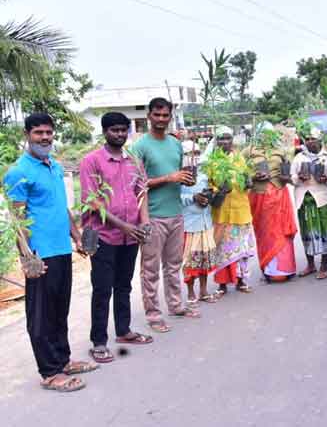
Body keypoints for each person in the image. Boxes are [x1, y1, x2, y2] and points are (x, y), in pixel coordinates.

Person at [4, 113, 97, 391]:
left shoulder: (54, 166)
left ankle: (63, 360)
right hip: (40, 254)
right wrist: (27, 258)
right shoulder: (18, 172)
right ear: (27, 134)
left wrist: (77, 237)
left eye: (48, 132)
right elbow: (17, 220)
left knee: (59, 310)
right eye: (38, 133)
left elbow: (62, 208)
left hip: (61, 249)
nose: (45, 137)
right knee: (41, 315)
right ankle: (50, 373)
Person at [79, 112, 153, 364]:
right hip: (104, 237)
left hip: (130, 237)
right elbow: (92, 200)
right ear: (105, 132)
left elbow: (141, 193)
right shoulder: (91, 161)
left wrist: (144, 223)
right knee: (102, 289)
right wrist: (124, 225)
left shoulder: (133, 160)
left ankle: (124, 331)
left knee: (124, 285)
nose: (120, 134)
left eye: (124, 130)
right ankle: (98, 342)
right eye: (114, 130)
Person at [130, 98, 199, 334]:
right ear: (149, 116)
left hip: (176, 214)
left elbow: (180, 175)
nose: (161, 119)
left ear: (170, 116)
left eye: (165, 115)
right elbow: (135, 185)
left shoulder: (175, 144)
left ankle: (176, 305)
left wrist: (186, 179)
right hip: (152, 217)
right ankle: (153, 315)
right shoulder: (139, 147)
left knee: (174, 265)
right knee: (150, 268)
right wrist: (168, 178)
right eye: (157, 115)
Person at [209, 129, 258, 293]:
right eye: (221, 139)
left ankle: (242, 281)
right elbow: (208, 185)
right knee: (222, 249)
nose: (224, 142)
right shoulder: (212, 162)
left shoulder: (240, 159)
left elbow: (246, 181)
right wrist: (219, 189)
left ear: (232, 140)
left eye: (227, 138)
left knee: (242, 249)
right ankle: (222, 284)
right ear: (216, 141)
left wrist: (249, 182)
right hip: (221, 212)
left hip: (240, 210)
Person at [245, 131, 298, 284]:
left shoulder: (281, 150)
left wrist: (286, 177)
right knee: (265, 233)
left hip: (279, 195)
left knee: (282, 232)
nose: (266, 137)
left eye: (269, 134)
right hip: (259, 197)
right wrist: (253, 177)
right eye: (263, 134)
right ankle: (268, 270)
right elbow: (240, 174)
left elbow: (291, 172)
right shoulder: (249, 150)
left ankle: (286, 269)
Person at [292, 127, 327, 280]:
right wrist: (299, 178)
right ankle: (310, 264)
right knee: (307, 232)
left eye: (313, 138)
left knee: (326, 231)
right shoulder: (299, 158)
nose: (310, 141)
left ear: (320, 140)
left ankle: (324, 265)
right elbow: (291, 177)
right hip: (305, 200)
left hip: (325, 199)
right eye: (308, 139)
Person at [180, 143, 217, 304]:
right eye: (189, 154)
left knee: (205, 258)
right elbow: (175, 198)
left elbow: (213, 193)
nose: (193, 157)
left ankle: (203, 291)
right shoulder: (180, 176)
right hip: (189, 224)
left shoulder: (205, 174)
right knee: (189, 261)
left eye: (196, 153)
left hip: (205, 222)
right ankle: (190, 292)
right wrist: (193, 198)